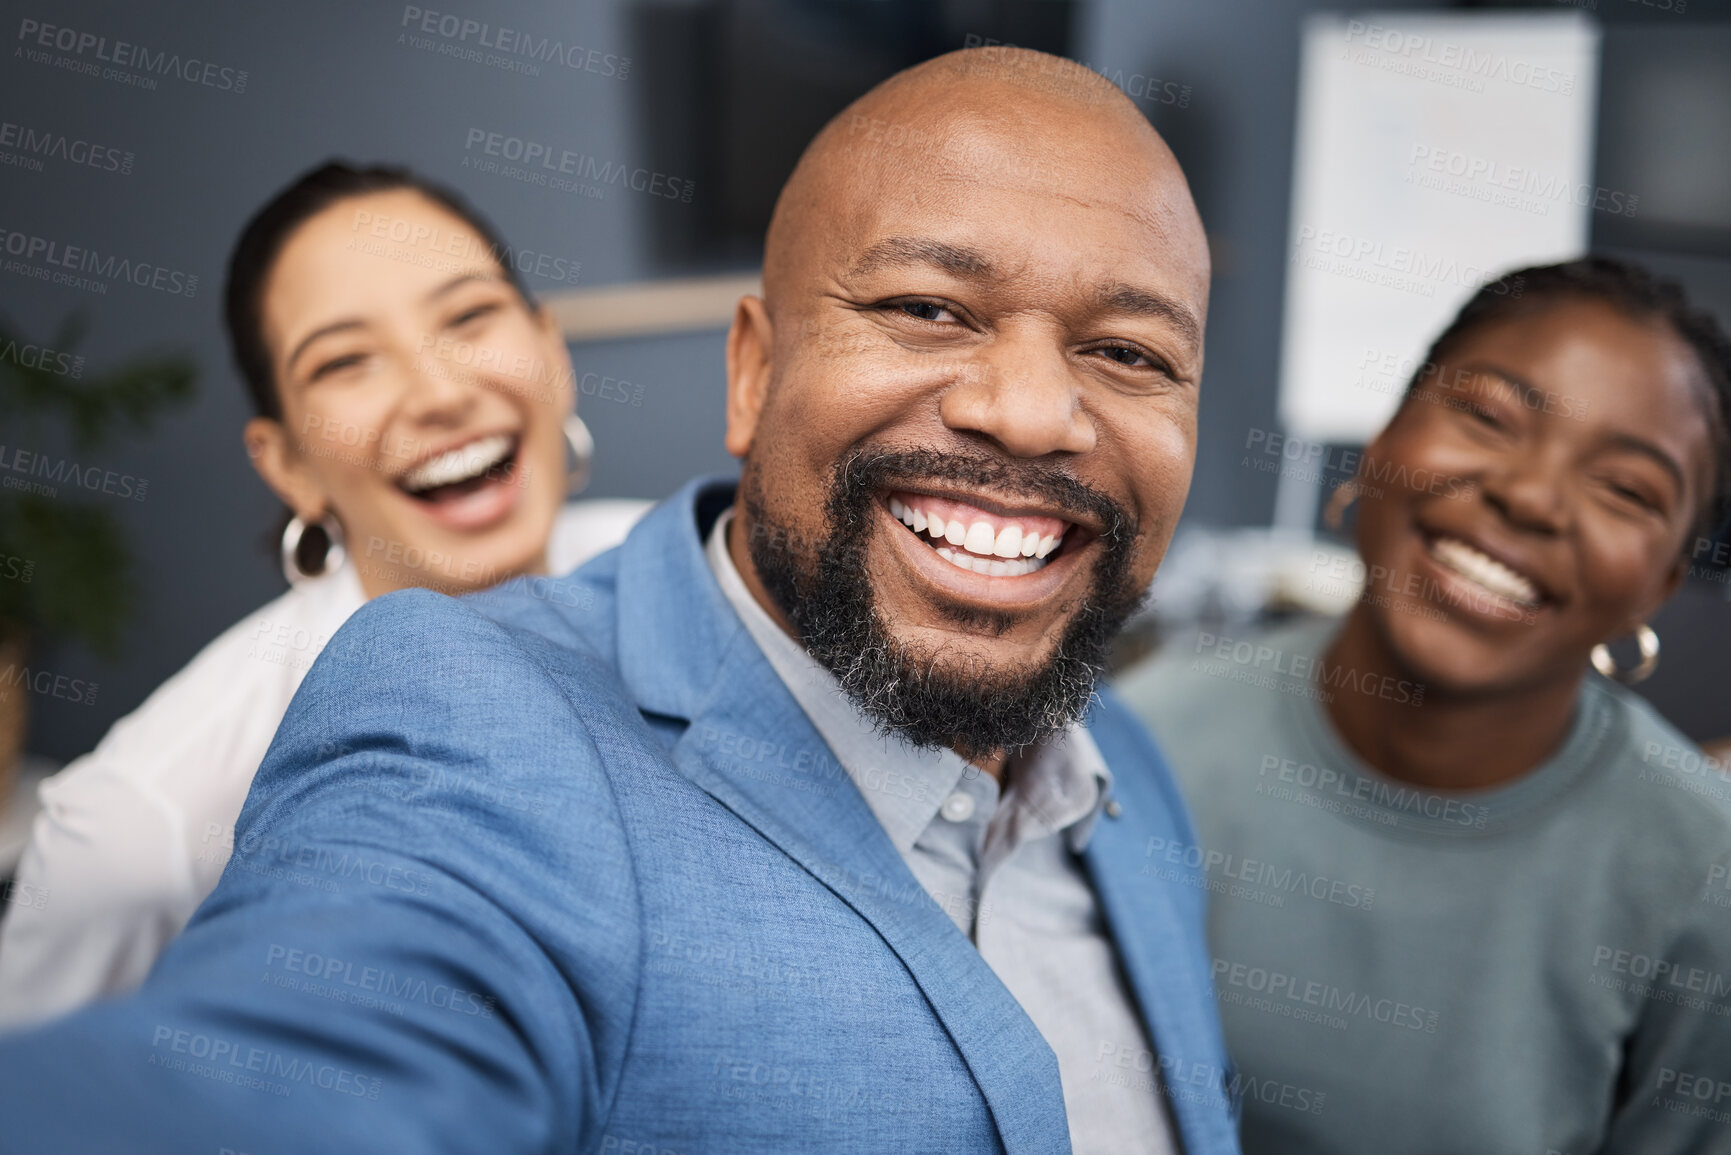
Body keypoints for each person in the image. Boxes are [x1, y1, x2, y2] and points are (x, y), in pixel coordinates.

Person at [0, 47, 1239, 1154]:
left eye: (1129, 351)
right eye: (926, 309)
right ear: (751, 372)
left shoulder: (1124, 762)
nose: (1028, 411)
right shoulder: (450, 718)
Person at [0, 162, 648, 1028]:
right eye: (346, 361)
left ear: (552, 356)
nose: (441, 394)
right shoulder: (146, 816)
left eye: (468, 316)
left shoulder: (697, 576)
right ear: (288, 464)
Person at [1117, 257, 1731, 1154]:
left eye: (1625, 489)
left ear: (1661, 584)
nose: (1528, 496)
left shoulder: (1700, 883)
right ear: (1383, 439)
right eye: (1486, 416)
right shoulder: (1139, 747)